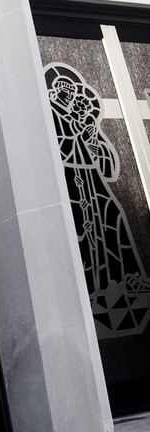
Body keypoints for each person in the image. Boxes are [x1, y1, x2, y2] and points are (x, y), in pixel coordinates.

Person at [45, 64, 150, 298]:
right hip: (70, 177)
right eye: (64, 90)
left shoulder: (78, 117)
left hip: (91, 176)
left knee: (114, 213)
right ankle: (88, 285)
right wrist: (77, 127)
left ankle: (127, 277)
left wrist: (90, 135)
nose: (70, 95)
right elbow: (60, 145)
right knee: (79, 226)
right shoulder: (51, 113)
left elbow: (106, 166)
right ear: (53, 92)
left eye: (73, 91)